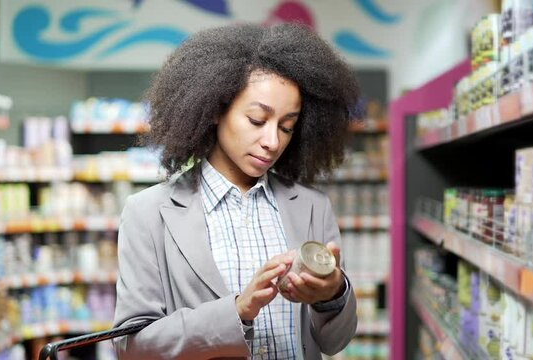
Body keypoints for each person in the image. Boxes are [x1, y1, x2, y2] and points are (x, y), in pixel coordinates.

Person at [113, 22, 361, 359]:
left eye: (287, 126)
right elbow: (132, 347)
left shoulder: (312, 207)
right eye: (257, 120)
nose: (273, 142)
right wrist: (237, 312)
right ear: (215, 109)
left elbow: (335, 342)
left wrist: (332, 295)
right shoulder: (148, 213)